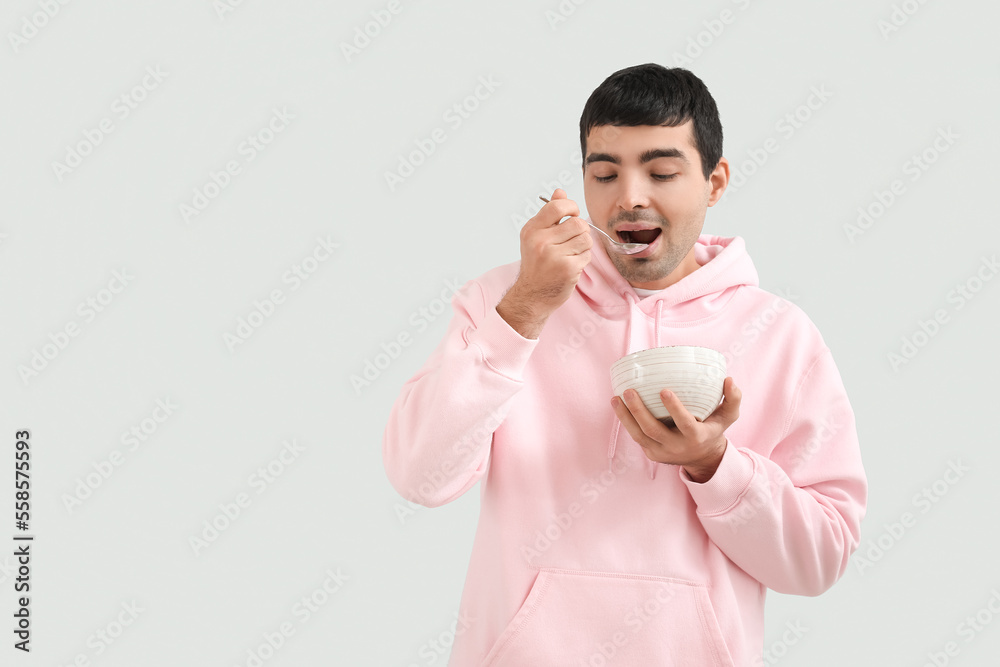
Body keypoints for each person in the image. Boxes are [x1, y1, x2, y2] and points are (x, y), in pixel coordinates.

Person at [382, 63, 867, 666]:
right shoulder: (504, 299)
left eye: (661, 172)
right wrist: (526, 310)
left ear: (714, 182)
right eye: (604, 174)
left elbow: (820, 559)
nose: (629, 196)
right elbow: (419, 476)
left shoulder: (781, 336)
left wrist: (714, 465)